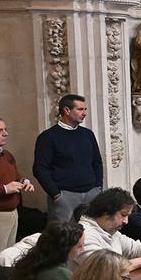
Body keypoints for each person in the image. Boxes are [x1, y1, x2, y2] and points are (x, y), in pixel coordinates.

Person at [32, 94, 103, 223]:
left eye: (85, 109)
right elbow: (40, 168)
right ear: (67, 110)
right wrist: (56, 194)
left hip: (91, 193)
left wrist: (98, 187)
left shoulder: (87, 134)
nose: (84, 113)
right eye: (80, 109)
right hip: (64, 194)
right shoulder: (48, 137)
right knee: (63, 237)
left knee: (93, 234)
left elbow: (97, 162)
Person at [79, 187, 141, 267]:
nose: (126, 221)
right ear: (106, 213)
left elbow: (134, 247)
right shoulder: (84, 234)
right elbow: (102, 268)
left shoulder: (110, 231)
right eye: (123, 215)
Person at [0, 115, 34, 266]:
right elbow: (5, 186)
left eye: (6, 130)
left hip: (12, 212)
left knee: (7, 257)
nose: (5, 133)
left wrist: (23, 181)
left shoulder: (6, 155)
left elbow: (14, 176)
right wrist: (5, 189)